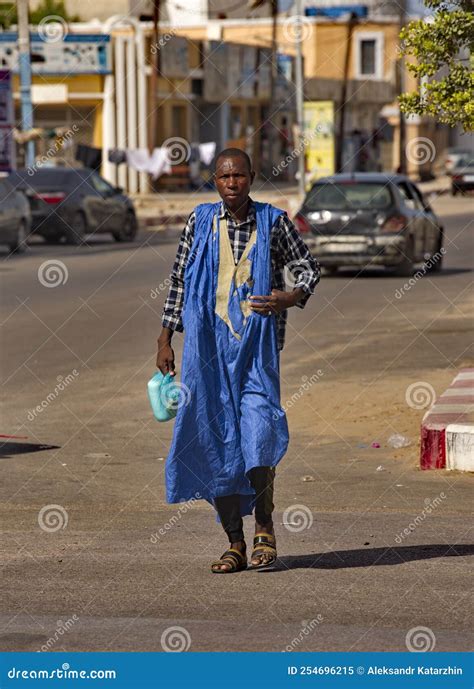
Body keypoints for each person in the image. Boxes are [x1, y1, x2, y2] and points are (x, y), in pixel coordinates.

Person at [156, 148, 320, 573]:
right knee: (214, 443)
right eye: (225, 177)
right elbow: (178, 279)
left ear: (252, 177)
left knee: (258, 437)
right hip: (206, 354)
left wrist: (290, 296)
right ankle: (235, 541)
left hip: (256, 357)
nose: (233, 184)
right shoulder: (200, 221)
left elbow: (308, 268)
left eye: (240, 176)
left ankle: (264, 525)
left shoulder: (274, 221)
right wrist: (165, 338)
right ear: (216, 180)